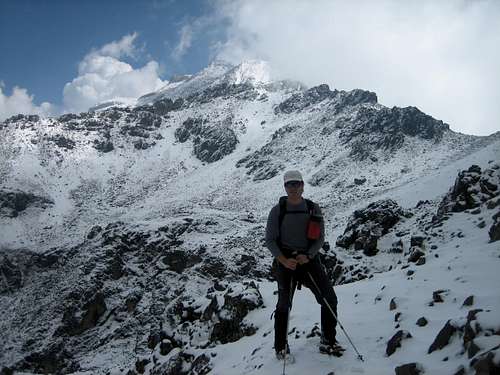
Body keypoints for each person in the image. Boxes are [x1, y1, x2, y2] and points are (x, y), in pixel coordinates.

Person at [265, 170, 344, 360]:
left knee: (329, 299)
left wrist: (308, 256)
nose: (293, 188)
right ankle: (280, 346)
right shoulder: (277, 211)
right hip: (286, 261)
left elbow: (320, 238)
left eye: (296, 184)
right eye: (289, 185)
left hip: (308, 260)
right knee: (283, 305)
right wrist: (284, 260)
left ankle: (328, 340)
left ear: (302, 185)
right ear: (285, 187)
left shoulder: (312, 208)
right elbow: (270, 240)